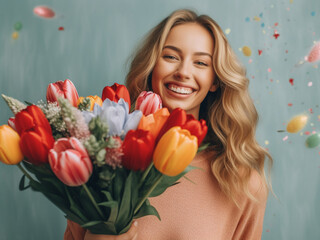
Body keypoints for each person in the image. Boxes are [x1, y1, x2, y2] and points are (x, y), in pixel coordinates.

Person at [64, 9, 273, 240]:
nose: (183, 72)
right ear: (152, 66)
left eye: (201, 63)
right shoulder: (99, 163)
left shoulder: (243, 183)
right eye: (171, 57)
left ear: (215, 81)